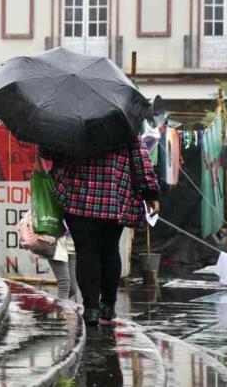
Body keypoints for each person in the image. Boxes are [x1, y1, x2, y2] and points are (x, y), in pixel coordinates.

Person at [43, 138, 160, 326]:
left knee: (86, 252)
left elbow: (50, 152)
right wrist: (150, 193)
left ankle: (90, 309)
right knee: (110, 250)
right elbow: (140, 159)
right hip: (114, 197)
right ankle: (107, 306)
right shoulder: (124, 121)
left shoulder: (71, 122)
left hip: (77, 196)